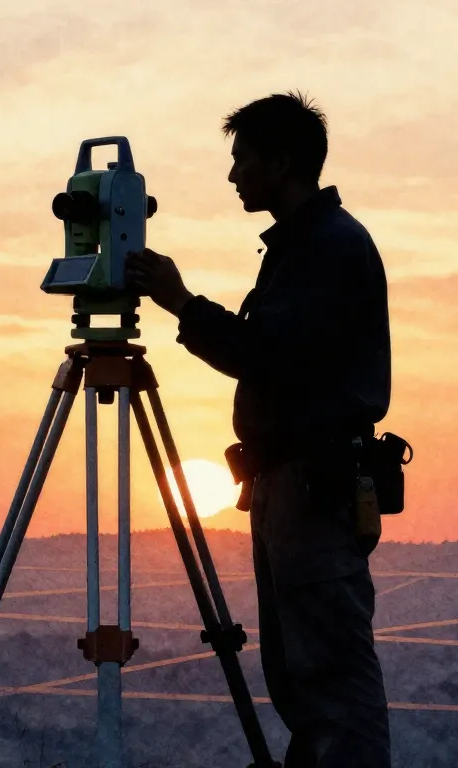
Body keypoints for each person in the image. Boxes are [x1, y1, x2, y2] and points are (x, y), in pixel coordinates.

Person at [125, 90, 392, 768]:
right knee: (303, 673)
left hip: (314, 482)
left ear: (282, 160)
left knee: (329, 674)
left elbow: (266, 354)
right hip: (291, 481)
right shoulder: (305, 247)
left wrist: (180, 301)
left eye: (243, 159)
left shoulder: (328, 248)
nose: (233, 175)